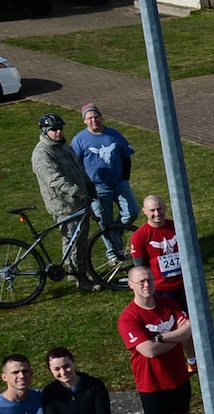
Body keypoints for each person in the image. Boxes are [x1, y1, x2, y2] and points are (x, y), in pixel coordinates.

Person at [119, 266, 209, 414]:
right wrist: (174, 337)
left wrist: (160, 337)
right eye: (140, 282)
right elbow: (148, 350)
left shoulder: (169, 304)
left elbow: (190, 329)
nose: (146, 285)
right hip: (152, 382)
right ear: (131, 285)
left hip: (178, 375)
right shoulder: (129, 318)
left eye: (149, 279)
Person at [31, 112, 98, 284]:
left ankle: (71, 271)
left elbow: (79, 169)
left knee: (79, 239)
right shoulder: (42, 153)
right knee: (73, 241)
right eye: (54, 129)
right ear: (45, 131)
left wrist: (88, 185)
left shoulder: (64, 147)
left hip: (79, 201)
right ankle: (80, 279)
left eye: (60, 128)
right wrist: (75, 191)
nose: (58, 132)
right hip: (63, 204)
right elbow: (54, 179)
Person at [71, 104, 136, 261]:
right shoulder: (79, 140)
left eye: (96, 117)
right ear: (84, 121)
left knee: (132, 212)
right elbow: (75, 165)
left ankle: (115, 235)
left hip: (119, 183)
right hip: (97, 189)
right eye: (90, 118)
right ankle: (113, 253)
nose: (94, 120)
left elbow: (126, 156)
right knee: (104, 222)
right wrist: (86, 186)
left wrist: (125, 177)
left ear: (101, 117)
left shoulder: (113, 135)